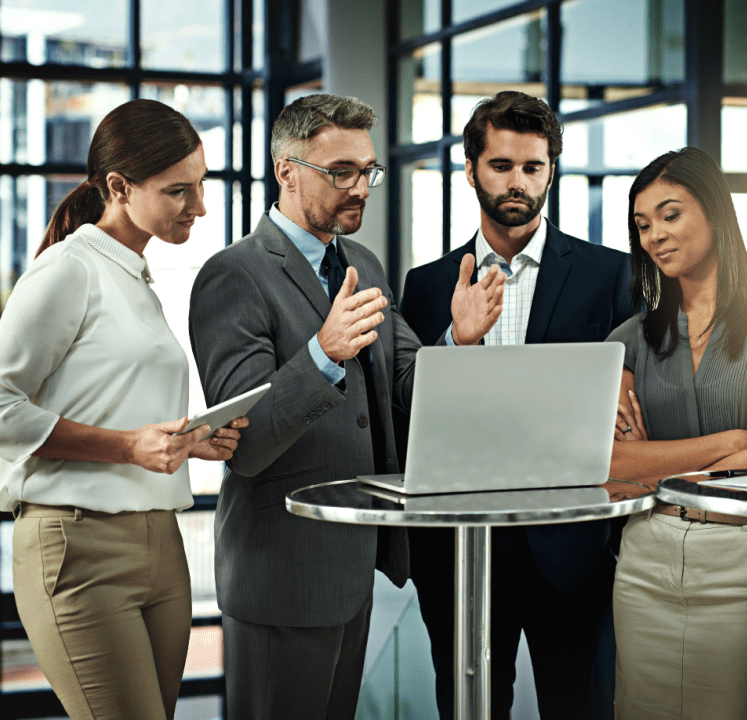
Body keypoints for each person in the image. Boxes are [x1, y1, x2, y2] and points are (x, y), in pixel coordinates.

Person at [187, 93, 505, 720]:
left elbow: (406, 382)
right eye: (341, 173)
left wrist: (457, 340)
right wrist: (323, 354)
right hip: (283, 574)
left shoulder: (363, 264)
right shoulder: (234, 275)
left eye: (367, 171)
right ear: (287, 171)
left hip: (353, 569)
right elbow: (244, 442)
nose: (360, 187)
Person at [0, 98, 245, 720]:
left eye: (200, 186)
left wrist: (189, 439)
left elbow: (117, 403)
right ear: (119, 186)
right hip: (77, 547)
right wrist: (127, 447)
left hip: (162, 545)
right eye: (178, 191)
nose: (198, 207)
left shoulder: (136, 276)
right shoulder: (69, 270)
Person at [400, 90, 633, 720]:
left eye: (533, 167)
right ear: (471, 169)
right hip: (459, 552)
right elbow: (410, 413)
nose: (518, 182)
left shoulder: (608, 275)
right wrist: (455, 343)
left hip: (573, 549)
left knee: (580, 708)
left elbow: (631, 408)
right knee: (467, 709)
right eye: (501, 165)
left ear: (551, 170)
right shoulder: (424, 288)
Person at [605, 147, 747, 720]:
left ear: (715, 214)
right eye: (642, 224)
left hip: (744, 561)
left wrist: (652, 463)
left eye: (670, 214)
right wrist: (731, 444)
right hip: (646, 560)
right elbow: (607, 463)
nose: (655, 234)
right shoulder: (629, 339)